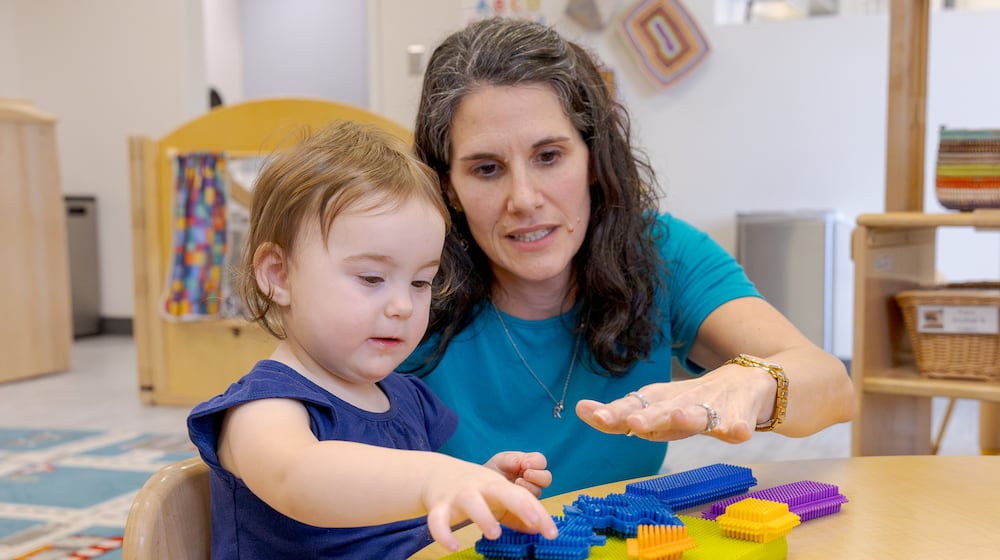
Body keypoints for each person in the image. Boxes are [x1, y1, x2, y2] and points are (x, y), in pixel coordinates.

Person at [401, 16, 855, 497]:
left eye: (549, 156)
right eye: (488, 169)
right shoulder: (402, 284)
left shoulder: (660, 253)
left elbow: (833, 388)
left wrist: (756, 382)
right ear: (448, 186)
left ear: (594, 159)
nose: (525, 199)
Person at [187, 120, 558, 559]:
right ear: (278, 274)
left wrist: (471, 494)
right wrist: (432, 479)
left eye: (421, 282)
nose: (402, 305)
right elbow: (299, 479)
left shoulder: (406, 398)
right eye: (371, 277)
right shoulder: (263, 409)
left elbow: (400, 529)